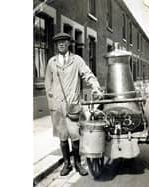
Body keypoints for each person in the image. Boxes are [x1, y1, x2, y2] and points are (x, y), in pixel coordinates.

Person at [45, 32, 103, 176]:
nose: (61, 44)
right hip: (57, 108)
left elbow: (88, 74)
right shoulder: (51, 62)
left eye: (64, 41)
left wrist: (95, 86)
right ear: (56, 45)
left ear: (69, 43)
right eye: (58, 42)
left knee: (75, 136)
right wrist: (51, 102)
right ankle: (67, 164)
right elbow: (48, 84)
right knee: (63, 137)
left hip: (73, 106)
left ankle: (77, 163)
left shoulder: (76, 60)